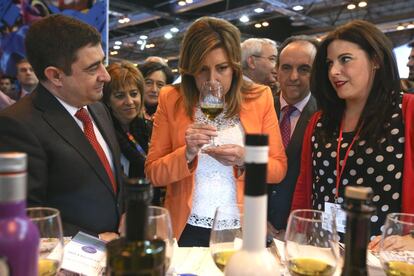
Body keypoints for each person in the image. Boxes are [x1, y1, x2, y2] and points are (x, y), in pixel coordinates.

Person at [145, 16, 287, 246]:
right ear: (190, 70)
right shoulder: (171, 98)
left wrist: (246, 158)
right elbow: (153, 172)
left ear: (235, 66)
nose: (212, 80)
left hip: (242, 227)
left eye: (222, 68)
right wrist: (187, 153)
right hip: (185, 227)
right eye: (202, 70)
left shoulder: (259, 97)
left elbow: (279, 168)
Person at [290, 20, 414, 246]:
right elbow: (306, 186)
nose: (334, 71)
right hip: (321, 251)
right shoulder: (320, 121)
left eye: (345, 59)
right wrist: (297, 235)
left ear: (375, 60)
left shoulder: (407, 112)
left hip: (381, 257)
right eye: (329, 63)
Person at [0, 14, 123, 240]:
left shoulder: (97, 108)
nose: (105, 76)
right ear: (55, 75)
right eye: (93, 68)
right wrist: (91, 241)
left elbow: (112, 179)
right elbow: (23, 216)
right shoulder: (17, 125)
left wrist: (127, 212)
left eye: (103, 62)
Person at [267, 35, 318, 231]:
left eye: (304, 69)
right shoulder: (257, 109)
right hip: (251, 224)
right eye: (286, 67)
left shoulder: (326, 116)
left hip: (298, 231)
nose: (294, 77)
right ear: (277, 71)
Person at [102, 61, 150, 179]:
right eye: (120, 96)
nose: (129, 102)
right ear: (107, 100)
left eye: (134, 94)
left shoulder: (147, 127)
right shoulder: (103, 133)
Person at [138, 61, 174, 125]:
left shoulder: (172, 116)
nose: (154, 90)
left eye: (160, 85)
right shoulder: (130, 113)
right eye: (148, 83)